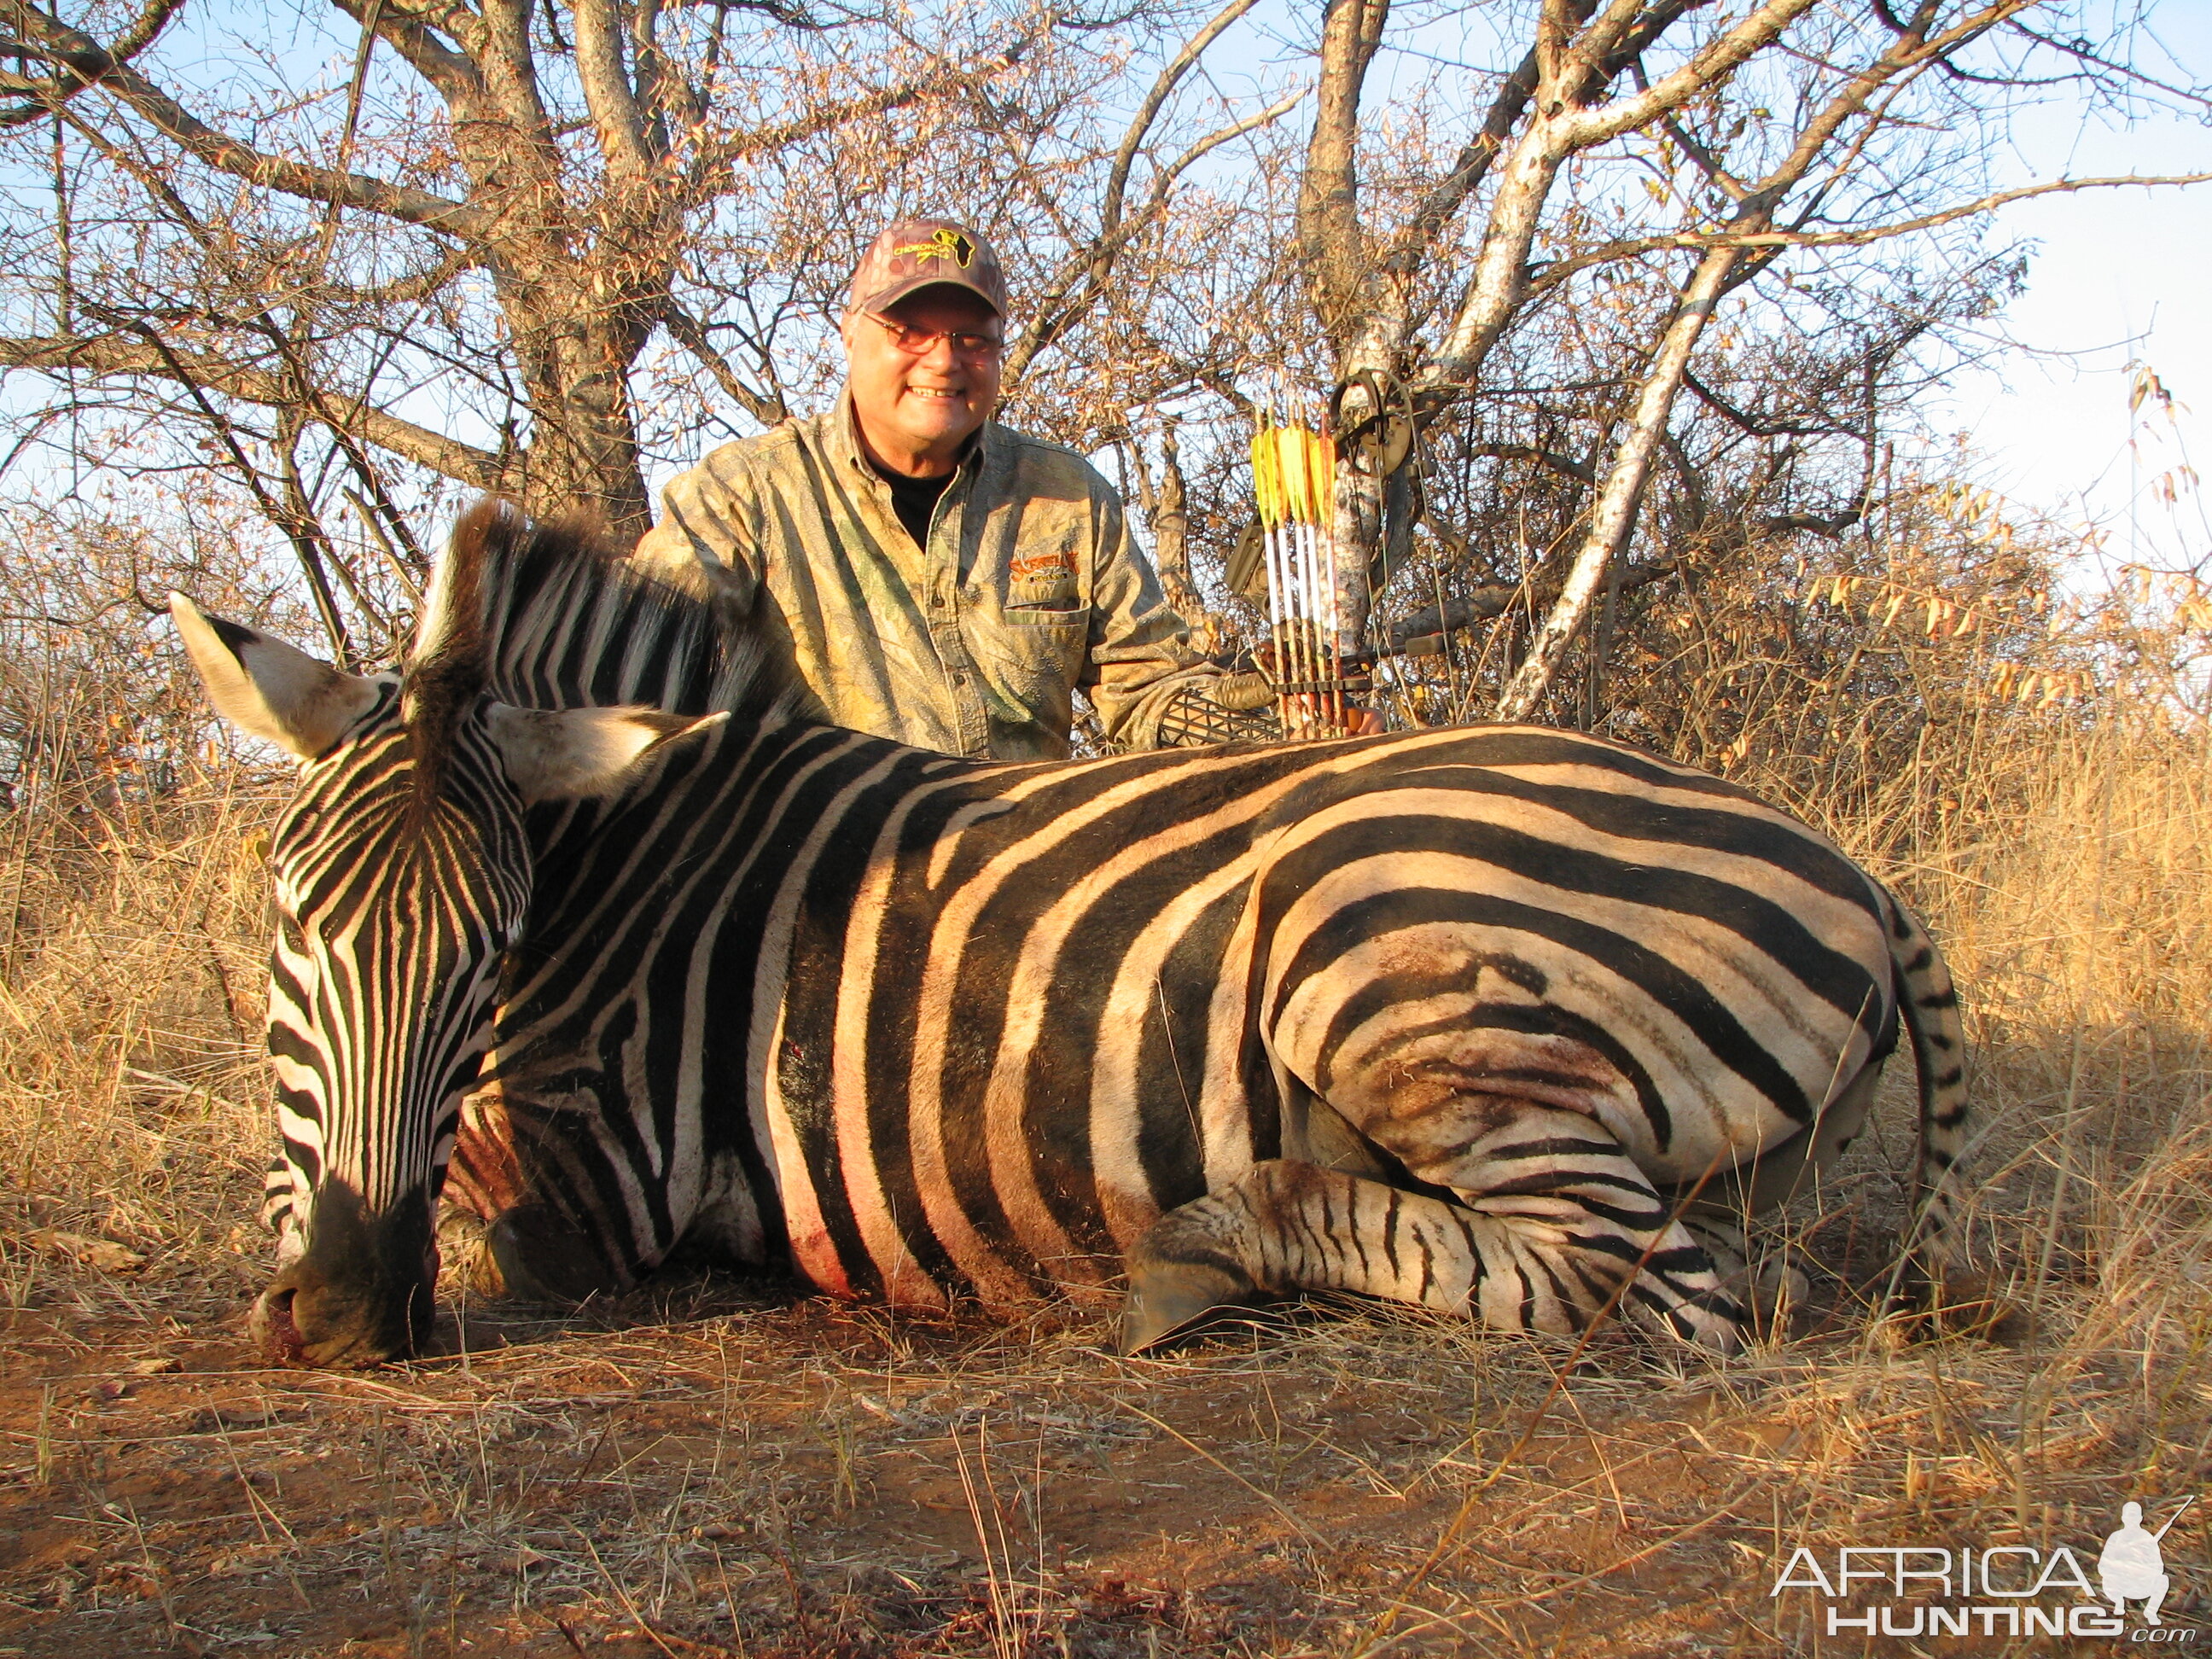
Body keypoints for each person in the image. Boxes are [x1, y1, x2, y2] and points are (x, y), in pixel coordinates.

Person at [631, 218, 1278, 760]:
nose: (943, 361)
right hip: (833, 882)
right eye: (907, 331)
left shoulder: (1068, 495)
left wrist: (1262, 718)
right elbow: (642, 662)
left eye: (970, 338)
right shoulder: (741, 494)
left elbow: (1148, 691)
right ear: (849, 335)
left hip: (1029, 873)